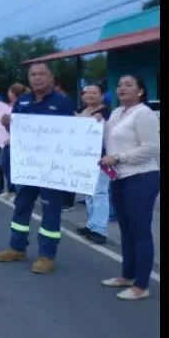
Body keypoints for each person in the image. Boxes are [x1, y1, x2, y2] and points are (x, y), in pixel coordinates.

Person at [0, 62, 75, 274]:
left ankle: (47, 255)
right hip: (27, 167)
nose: (37, 77)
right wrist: (6, 123)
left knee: (50, 210)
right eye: (33, 74)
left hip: (51, 168)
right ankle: (17, 247)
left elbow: (72, 133)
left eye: (41, 74)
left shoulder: (63, 102)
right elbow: (18, 130)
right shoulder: (23, 100)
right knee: (21, 206)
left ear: (51, 78)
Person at [98, 75, 160, 300]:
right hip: (120, 177)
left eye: (128, 85)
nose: (122, 88)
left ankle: (141, 285)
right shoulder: (116, 113)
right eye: (119, 85)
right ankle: (127, 275)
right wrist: (98, 121)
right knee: (126, 229)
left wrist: (119, 157)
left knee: (140, 231)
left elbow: (152, 148)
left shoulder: (144, 113)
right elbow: (110, 137)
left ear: (141, 91)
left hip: (142, 177)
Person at [74, 84, 112, 244]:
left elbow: (105, 136)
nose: (90, 95)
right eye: (87, 92)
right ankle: (91, 225)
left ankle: (100, 229)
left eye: (94, 93)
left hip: (100, 159)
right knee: (88, 193)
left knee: (99, 193)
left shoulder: (106, 113)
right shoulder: (83, 111)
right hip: (84, 158)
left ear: (101, 96)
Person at [0, 83, 29, 200]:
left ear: (14, 93)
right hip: (9, 139)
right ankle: (11, 190)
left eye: (10, 91)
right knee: (4, 163)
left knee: (14, 166)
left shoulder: (23, 105)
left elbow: (22, 125)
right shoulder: (11, 105)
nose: (8, 94)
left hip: (18, 141)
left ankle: (19, 192)